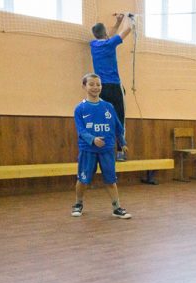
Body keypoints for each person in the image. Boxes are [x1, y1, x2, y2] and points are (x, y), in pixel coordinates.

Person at [72, 73, 132, 219]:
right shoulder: (80, 109)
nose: (95, 87)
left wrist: (122, 142)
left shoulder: (108, 107)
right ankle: (78, 204)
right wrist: (92, 139)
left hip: (107, 150)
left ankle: (117, 207)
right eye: (91, 84)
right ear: (84, 86)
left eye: (98, 84)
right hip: (88, 150)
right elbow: (81, 131)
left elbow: (118, 127)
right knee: (83, 179)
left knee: (111, 180)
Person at [90, 13, 134, 161]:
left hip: (101, 88)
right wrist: (128, 17)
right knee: (119, 119)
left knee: (102, 119)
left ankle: (100, 151)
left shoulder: (93, 45)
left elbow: (108, 34)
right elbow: (128, 29)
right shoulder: (110, 43)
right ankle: (121, 151)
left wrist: (117, 22)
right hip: (114, 86)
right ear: (105, 33)